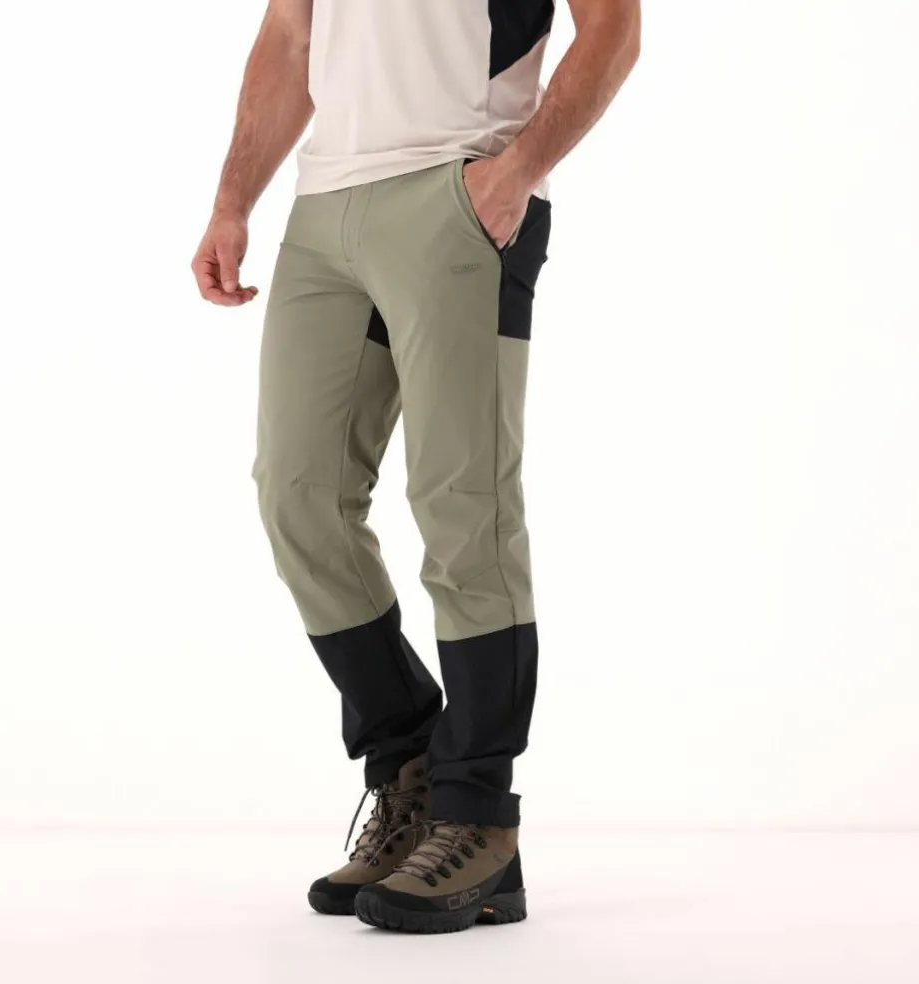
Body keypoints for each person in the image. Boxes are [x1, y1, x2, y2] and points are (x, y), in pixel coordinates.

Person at [192, 0, 640, 934]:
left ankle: (479, 816)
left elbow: (614, 27)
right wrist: (233, 200)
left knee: (463, 506)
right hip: (326, 207)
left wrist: (517, 172)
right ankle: (411, 766)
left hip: (459, 189)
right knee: (298, 496)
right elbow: (290, 35)